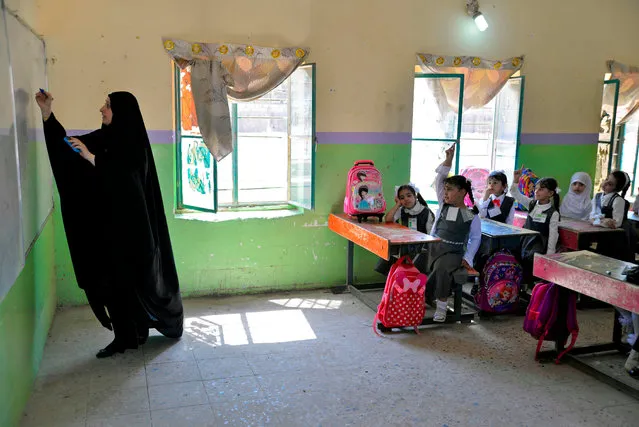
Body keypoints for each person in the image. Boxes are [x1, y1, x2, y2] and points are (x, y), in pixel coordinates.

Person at [36, 90, 184, 358]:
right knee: (112, 286)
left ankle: (137, 331)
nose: (102, 109)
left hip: (132, 233)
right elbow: (66, 149)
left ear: (122, 112)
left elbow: (128, 180)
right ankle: (126, 337)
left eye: (107, 106)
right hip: (106, 232)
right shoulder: (102, 138)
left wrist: (93, 160)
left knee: (131, 284)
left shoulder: (133, 145)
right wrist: (47, 115)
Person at [428, 145, 481, 322]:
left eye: (450, 189)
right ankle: (420, 296)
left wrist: (468, 258)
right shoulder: (444, 206)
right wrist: (449, 159)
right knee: (416, 261)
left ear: (462, 192)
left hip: (453, 252)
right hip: (435, 247)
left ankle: (442, 307)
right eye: (446, 189)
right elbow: (440, 178)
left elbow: (475, 238)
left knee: (442, 269)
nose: (446, 192)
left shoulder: (471, 215)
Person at [511, 165, 560, 283]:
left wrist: (549, 257)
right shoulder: (532, 204)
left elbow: (553, 236)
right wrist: (516, 180)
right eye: (536, 188)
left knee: (529, 275)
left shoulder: (553, 213)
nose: (536, 191)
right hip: (524, 243)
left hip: (537, 249)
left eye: (541, 189)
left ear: (551, 193)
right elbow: (515, 193)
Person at [374, 183, 435, 275]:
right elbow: (388, 220)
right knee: (390, 249)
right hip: (405, 243)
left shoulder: (426, 212)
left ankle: (405, 279)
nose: (406, 199)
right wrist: (398, 205)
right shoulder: (402, 210)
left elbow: (431, 235)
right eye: (402, 198)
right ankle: (396, 279)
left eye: (409, 196)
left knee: (406, 254)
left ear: (415, 196)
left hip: (421, 246)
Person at [590, 170, 635, 261]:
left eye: (610, 184)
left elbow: (616, 223)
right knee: (600, 258)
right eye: (606, 179)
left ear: (617, 188)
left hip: (615, 238)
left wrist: (597, 220)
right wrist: (603, 221)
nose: (605, 183)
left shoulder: (618, 200)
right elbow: (592, 216)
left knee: (611, 260)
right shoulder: (597, 196)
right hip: (602, 235)